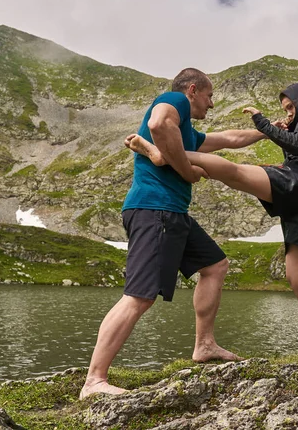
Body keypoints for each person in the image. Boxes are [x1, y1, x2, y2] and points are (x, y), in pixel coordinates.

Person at [80, 68, 270, 399]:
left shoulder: (187, 133)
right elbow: (157, 124)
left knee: (215, 266)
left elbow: (228, 139)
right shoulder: (174, 101)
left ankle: (205, 346)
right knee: (139, 296)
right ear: (193, 90)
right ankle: (94, 381)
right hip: (155, 211)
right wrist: (186, 170)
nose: (211, 104)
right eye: (210, 96)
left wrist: (268, 132)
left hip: (173, 214)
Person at [126, 82, 298, 354]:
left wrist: (261, 121)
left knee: (234, 173)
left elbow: (297, 146)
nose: (288, 114)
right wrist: (274, 134)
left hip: (296, 186)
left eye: (291, 108)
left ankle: (165, 156)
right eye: (286, 110)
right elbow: (236, 140)